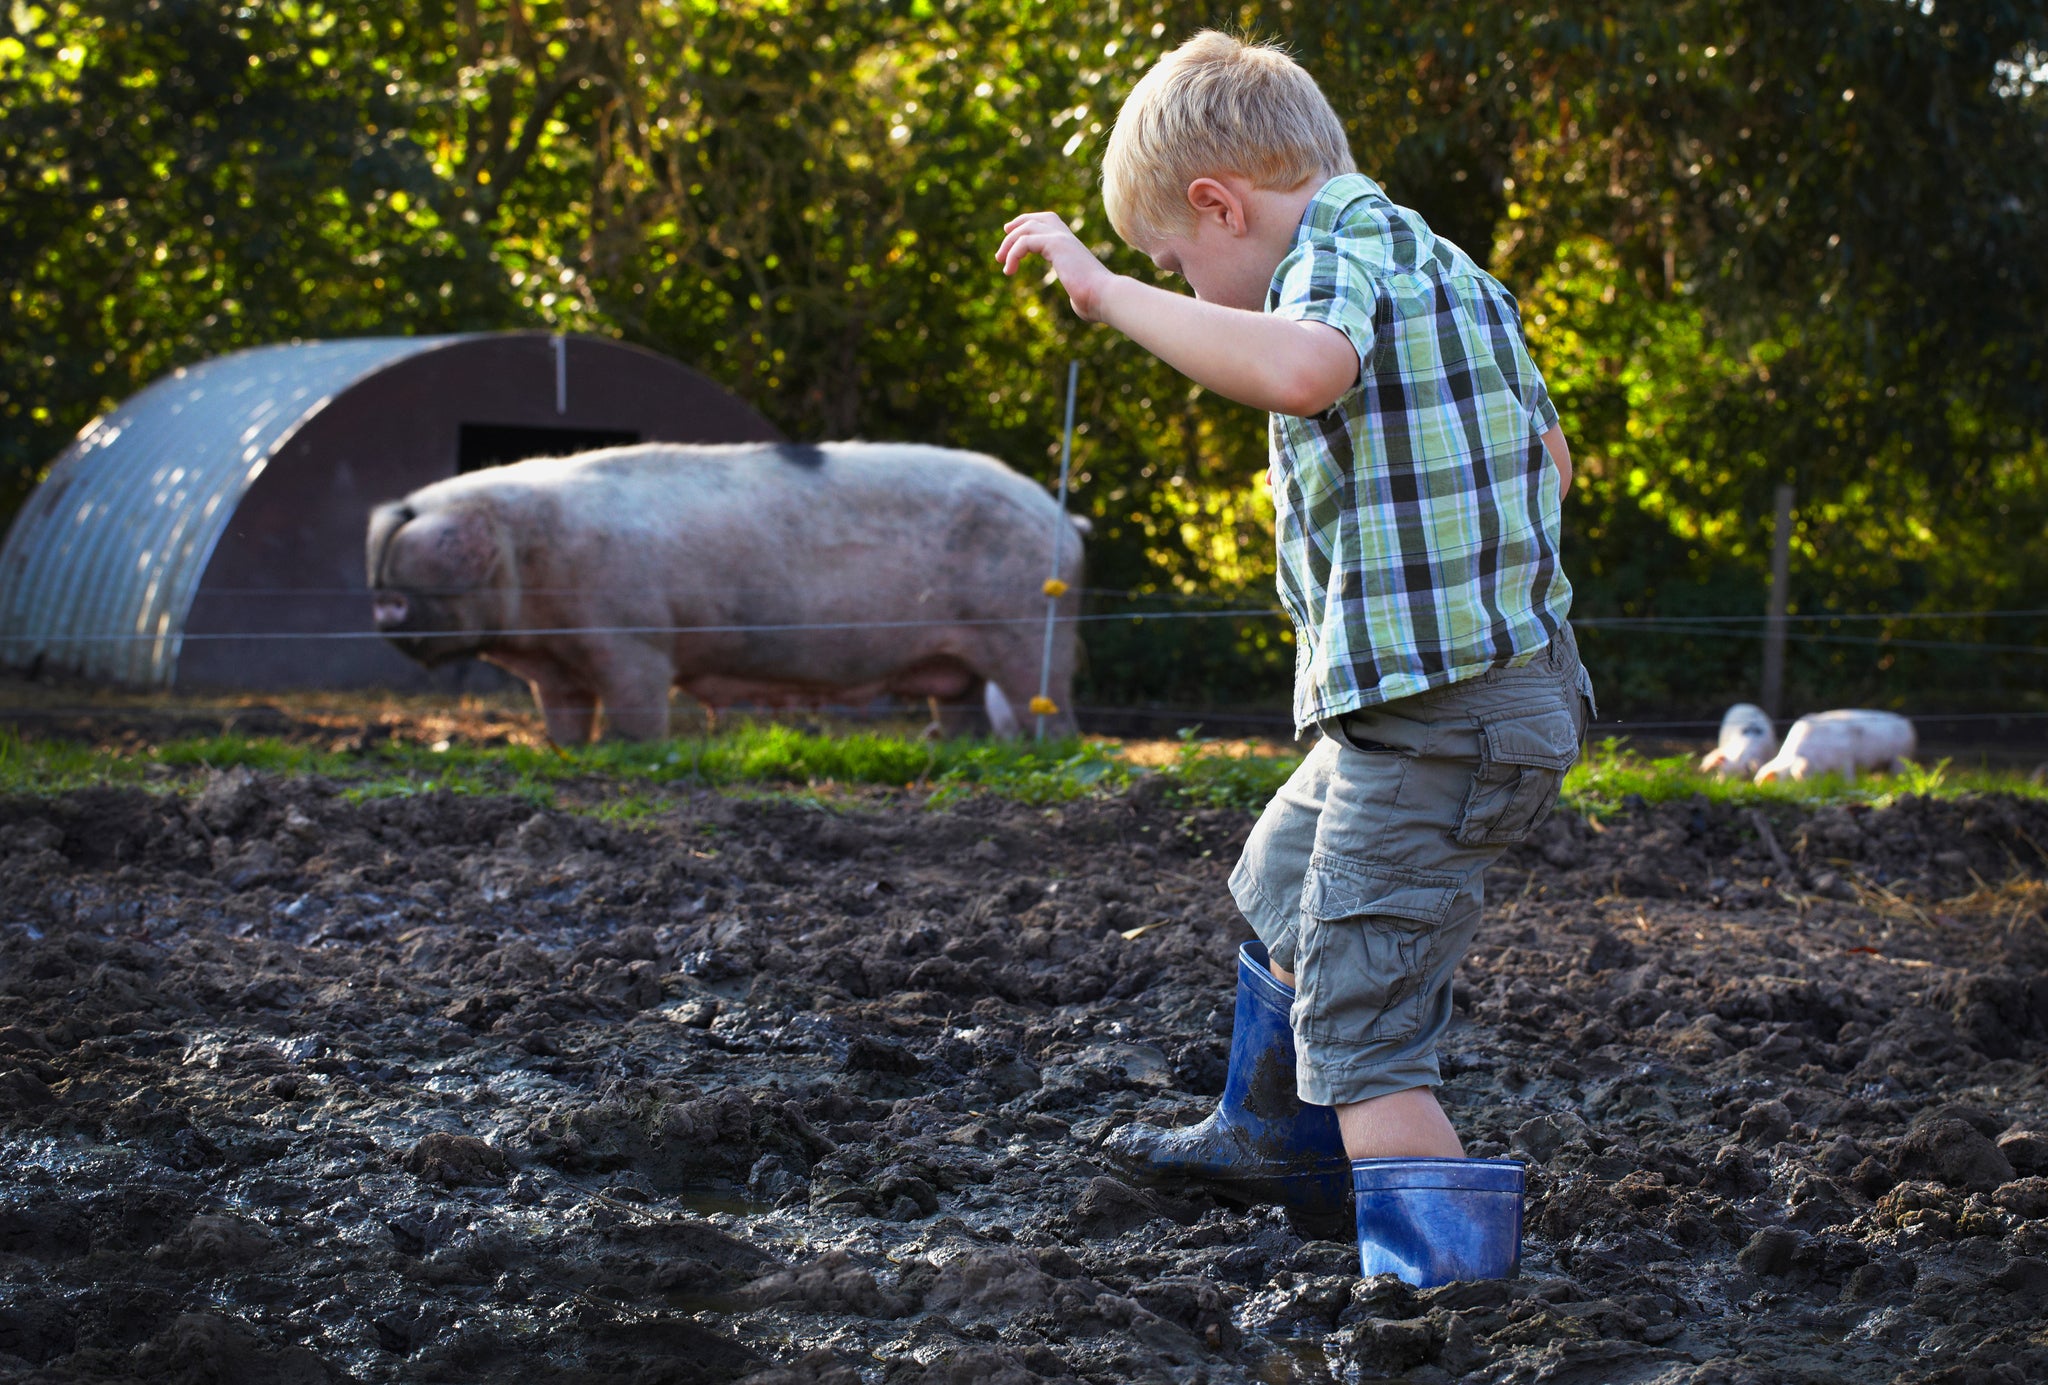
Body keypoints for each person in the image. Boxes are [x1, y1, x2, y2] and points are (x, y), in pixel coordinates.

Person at [995, 30, 1594, 1287]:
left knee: (1362, 1020)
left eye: (1179, 261)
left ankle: (1442, 1293)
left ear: (1219, 204)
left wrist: (1108, 293)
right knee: (1280, 885)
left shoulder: (1330, 259)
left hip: (1443, 715)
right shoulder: (1447, 265)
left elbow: (1303, 368)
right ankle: (1270, 1137)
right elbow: (1548, 461)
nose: (1192, 291)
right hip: (1428, 706)